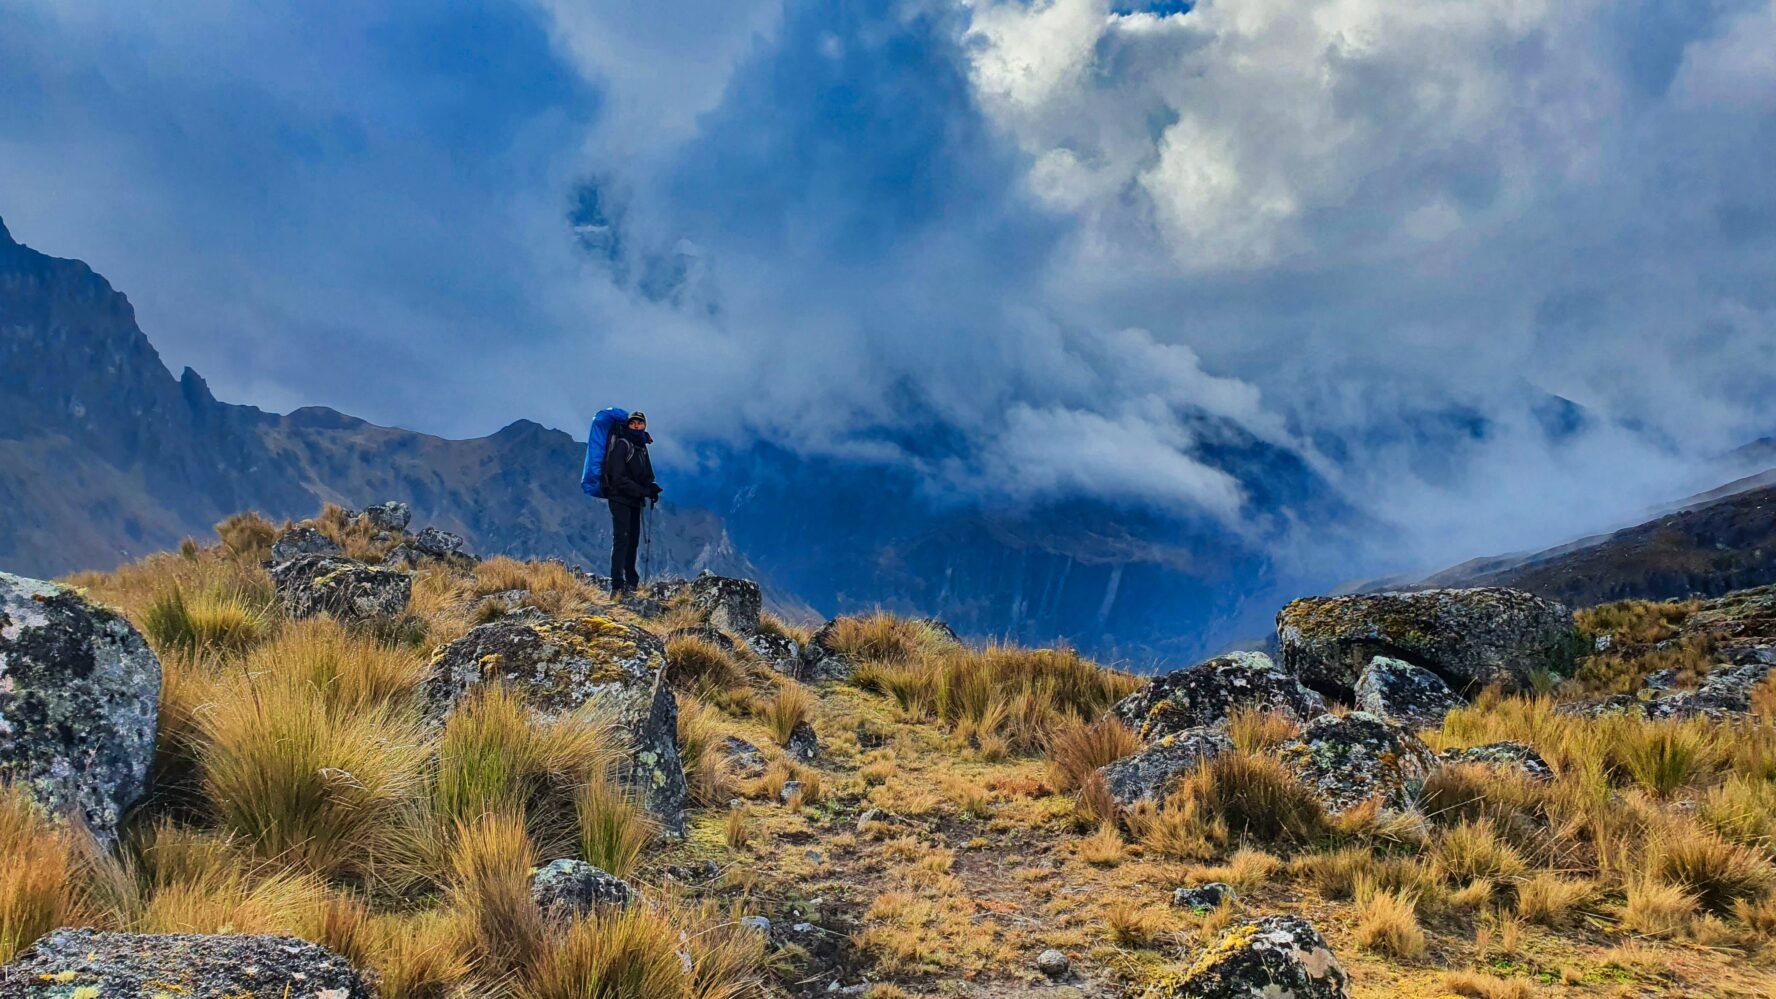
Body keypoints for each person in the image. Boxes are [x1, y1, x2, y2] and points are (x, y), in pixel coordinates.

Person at [602, 411, 661, 596]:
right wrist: (644, 491)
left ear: (644, 426)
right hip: (619, 498)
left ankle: (631, 583)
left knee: (632, 540)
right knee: (622, 539)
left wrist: (651, 489)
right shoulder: (623, 445)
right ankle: (617, 585)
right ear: (628, 425)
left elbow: (646, 475)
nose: (636, 426)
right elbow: (618, 478)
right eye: (633, 423)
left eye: (640, 423)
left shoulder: (641, 447)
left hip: (634, 500)